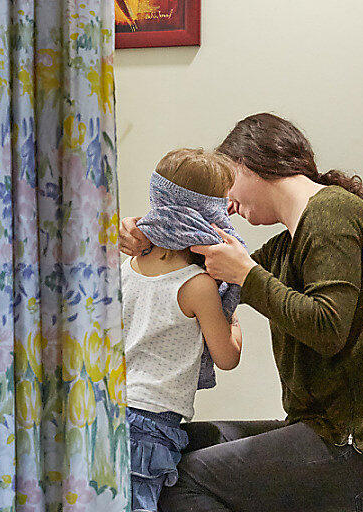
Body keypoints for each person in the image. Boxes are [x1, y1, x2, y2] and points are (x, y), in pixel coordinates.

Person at [119, 114, 363, 512]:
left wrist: (247, 274)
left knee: (185, 479)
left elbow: (329, 326)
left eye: (228, 181)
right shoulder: (285, 246)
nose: (227, 203)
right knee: (179, 446)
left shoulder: (332, 214)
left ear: (250, 165)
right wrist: (150, 237)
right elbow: (205, 274)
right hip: (329, 431)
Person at [122, 148, 244, 512]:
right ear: (207, 215)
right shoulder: (199, 286)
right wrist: (233, 315)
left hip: (110, 407)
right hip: (152, 423)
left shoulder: (126, 265)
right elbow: (226, 357)